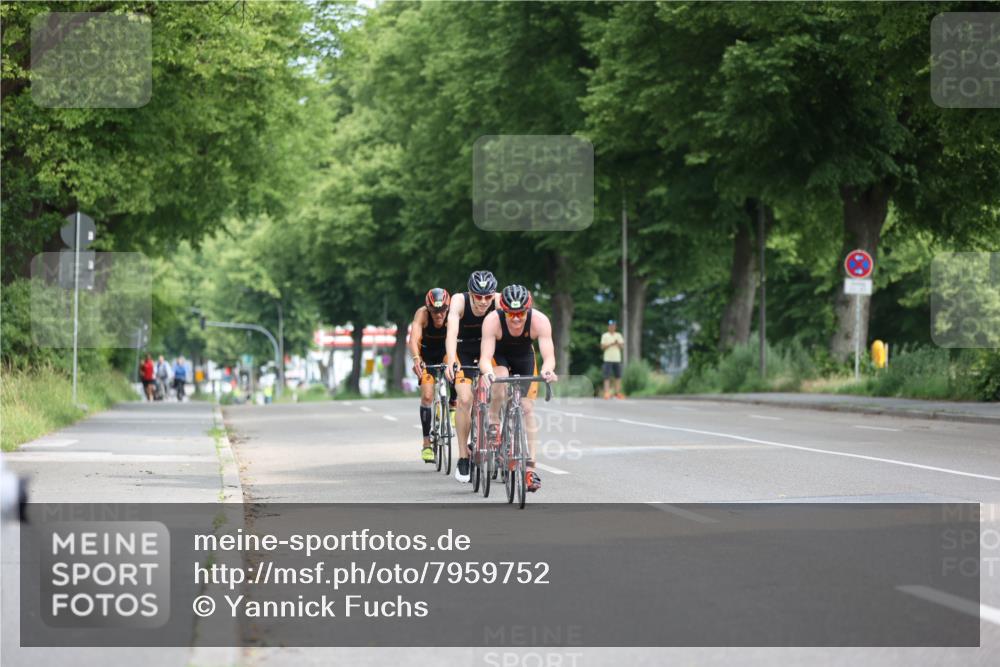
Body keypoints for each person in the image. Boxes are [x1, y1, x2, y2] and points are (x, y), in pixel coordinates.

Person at [480, 284, 557, 493]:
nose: (515, 319)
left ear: (528, 309)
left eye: (520, 313)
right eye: (510, 314)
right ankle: (494, 421)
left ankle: (530, 468)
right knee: (500, 378)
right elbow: (485, 359)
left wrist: (548, 371)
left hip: (524, 357)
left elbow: (548, 357)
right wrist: (488, 373)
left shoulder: (539, 321)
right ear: (503, 310)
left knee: (527, 408)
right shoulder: (492, 321)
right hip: (500, 355)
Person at [444, 270, 499, 483]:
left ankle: (499, 435)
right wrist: (450, 360)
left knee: (500, 387)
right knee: (465, 399)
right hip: (463, 350)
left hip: (489, 349)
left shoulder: (499, 301)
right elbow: (451, 334)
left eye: (488, 296)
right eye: (479, 296)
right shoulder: (459, 301)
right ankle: (463, 457)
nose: (484, 301)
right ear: (470, 293)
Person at [409, 287, 451, 463]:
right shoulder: (422, 314)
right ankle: (427, 444)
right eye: (435, 311)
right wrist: (416, 358)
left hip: (445, 353)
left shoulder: (453, 314)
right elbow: (413, 339)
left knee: (454, 365)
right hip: (426, 356)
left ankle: (454, 404)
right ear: (428, 309)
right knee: (427, 396)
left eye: (442, 311)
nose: (439, 315)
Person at [601, 319, 625, 399]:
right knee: (606, 376)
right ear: (608, 327)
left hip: (617, 359)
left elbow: (622, 347)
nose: (612, 327)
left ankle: (617, 393)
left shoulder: (618, 335)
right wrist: (611, 344)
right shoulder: (605, 335)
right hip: (608, 359)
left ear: (615, 327)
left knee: (618, 376)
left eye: (613, 326)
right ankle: (607, 393)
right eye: (611, 326)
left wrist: (617, 343)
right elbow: (602, 347)